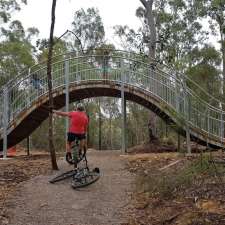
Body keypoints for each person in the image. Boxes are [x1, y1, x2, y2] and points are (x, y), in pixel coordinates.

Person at [52, 103, 89, 167]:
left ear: (77, 108)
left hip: (72, 133)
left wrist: (53, 111)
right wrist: (84, 134)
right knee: (82, 140)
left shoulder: (73, 113)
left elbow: (62, 113)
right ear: (83, 109)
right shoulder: (85, 117)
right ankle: (80, 152)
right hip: (81, 133)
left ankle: (69, 155)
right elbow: (85, 128)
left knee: (68, 143)